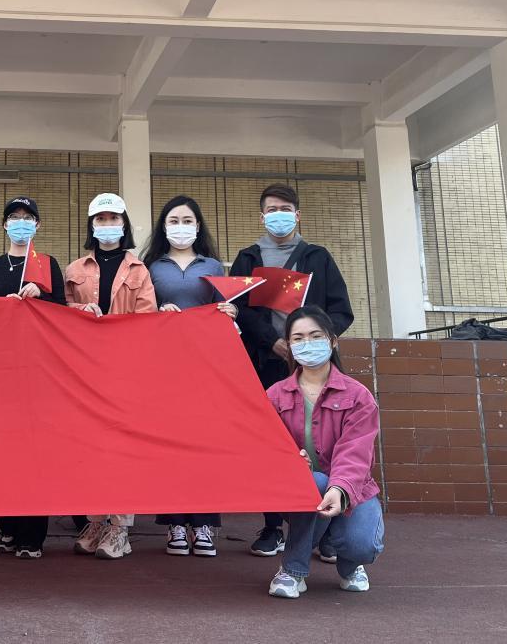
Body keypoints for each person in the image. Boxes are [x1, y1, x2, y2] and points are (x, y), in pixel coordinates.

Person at [229, 183, 354, 558]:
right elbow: (237, 309)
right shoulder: (248, 257)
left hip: (315, 365)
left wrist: (313, 341)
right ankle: (273, 526)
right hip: (266, 363)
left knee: (324, 441)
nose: (278, 215)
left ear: (297, 215)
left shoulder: (318, 257)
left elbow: (341, 310)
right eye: (271, 209)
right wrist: (273, 341)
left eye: (285, 209)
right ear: (261, 216)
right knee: (272, 441)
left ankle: (328, 526)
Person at [142, 195, 237, 558]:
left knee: (204, 442)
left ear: (198, 226)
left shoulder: (213, 265)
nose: (180, 227)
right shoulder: (151, 266)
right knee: (170, 442)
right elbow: (140, 310)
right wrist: (157, 312)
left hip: (205, 365)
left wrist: (229, 311)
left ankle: (204, 523)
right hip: (163, 366)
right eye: (174, 220)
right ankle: (175, 524)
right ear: (163, 227)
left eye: (187, 221)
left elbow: (224, 307)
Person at [63, 193, 156, 561]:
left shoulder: (139, 270)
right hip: (84, 370)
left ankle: (119, 527)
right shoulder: (75, 268)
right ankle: (95, 521)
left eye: (113, 218)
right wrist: (78, 309)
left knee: (121, 446)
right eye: (100, 219)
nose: (106, 225)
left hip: (124, 369)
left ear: (123, 223)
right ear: (91, 225)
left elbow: (148, 319)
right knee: (89, 446)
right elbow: (59, 313)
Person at [265, 306, 382, 598]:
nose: (307, 343)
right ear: (289, 346)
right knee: (315, 482)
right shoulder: (274, 395)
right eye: (298, 338)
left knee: (363, 545)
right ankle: (292, 570)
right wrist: (290, 461)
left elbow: (356, 452)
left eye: (316, 336)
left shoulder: (358, 396)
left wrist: (340, 489)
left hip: (353, 488)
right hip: (300, 491)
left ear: (333, 340)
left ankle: (350, 563)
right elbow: (264, 445)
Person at [0, 196, 66, 560]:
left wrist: (40, 295)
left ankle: (34, 536)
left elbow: (62, 312)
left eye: (28, 217)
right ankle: (8, 529)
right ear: (4, 225)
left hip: (39, 370)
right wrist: (4, 306)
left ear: (37, 225)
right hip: (0, 372)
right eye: (14, 217)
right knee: (2, 452)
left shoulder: (47, 264)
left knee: (36, 452)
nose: (21, 222)